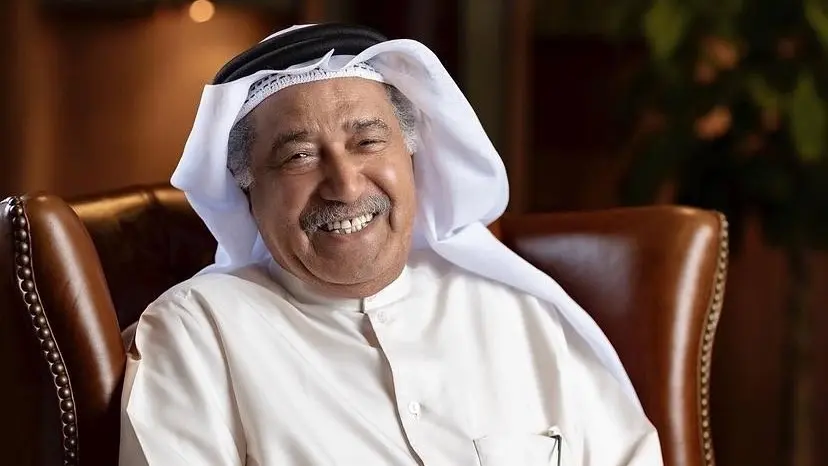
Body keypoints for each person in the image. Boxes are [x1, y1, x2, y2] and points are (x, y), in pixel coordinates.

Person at [118, 23, 663, 465]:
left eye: (368, 142)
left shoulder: (521, 316)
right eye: (299, 156)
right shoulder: (197, 333)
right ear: (248, 191)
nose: (345, 185)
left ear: (413, 157)